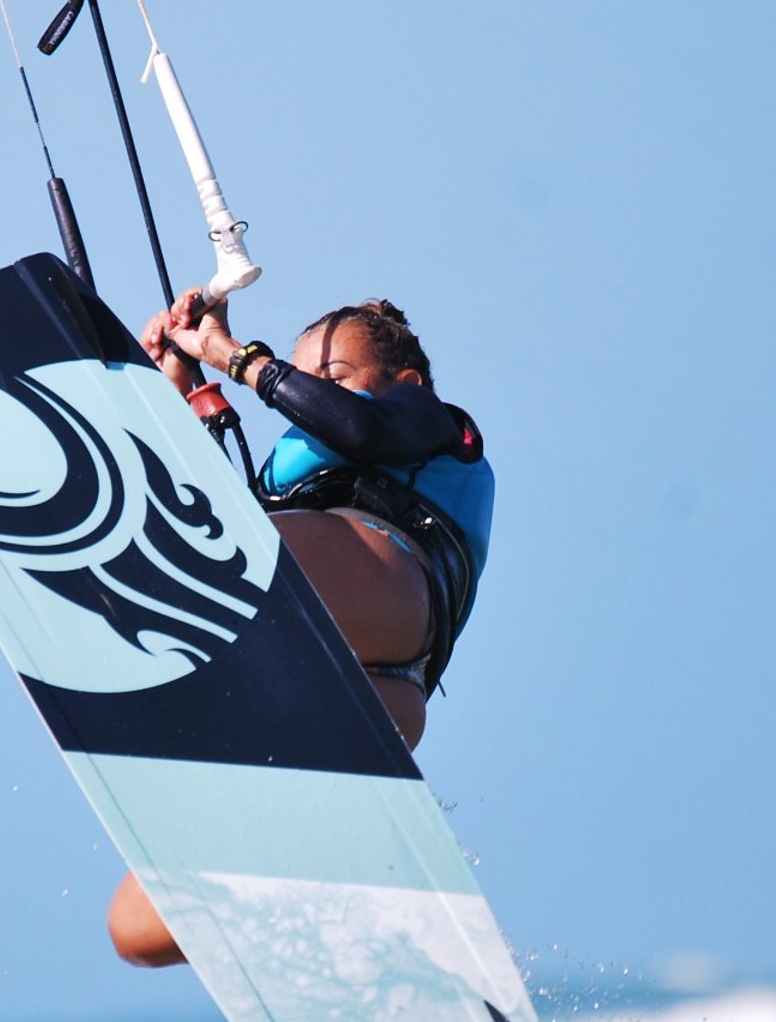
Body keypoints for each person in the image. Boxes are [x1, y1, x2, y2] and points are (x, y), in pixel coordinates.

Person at [105, 287, 496, 967]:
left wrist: (235, 357)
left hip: (388, 591)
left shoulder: (427, 419)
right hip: (376, 695)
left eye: (334, 375)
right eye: (304, 374)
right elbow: (186, 511)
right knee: (138, 928)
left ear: (405, 382)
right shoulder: (285, 483)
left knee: (184, 552)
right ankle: (337, 901)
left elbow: (360, 431)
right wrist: (173, 385)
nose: (309, 388)